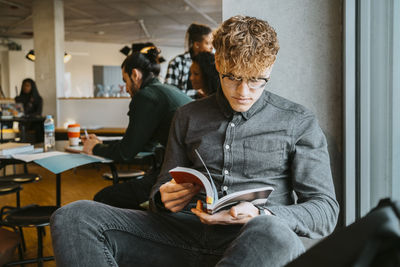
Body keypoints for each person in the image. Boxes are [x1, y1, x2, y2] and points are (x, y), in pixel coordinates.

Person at [51, 15, 339, 267]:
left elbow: (325, 211)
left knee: (276, 233)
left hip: (253, 242)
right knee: (73, 216)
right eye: (232, 77)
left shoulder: (298, 121)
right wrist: (164, 199)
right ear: (217, 63)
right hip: (181, 234)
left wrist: (262, 212)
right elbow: (159, 191)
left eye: (256, 80)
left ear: (270, 69)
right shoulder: (187, 115)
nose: (244, 92)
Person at [82, 45, 192, 209]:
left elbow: (125, 153)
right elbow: (143, 143)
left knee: (103, 198)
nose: (126, 88)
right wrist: (101, 144)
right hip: (190, 171)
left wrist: (95, 148)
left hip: (178, 175)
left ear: (135, 74)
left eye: (125, 81)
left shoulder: (145, 96)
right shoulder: (166, 90)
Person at [165, 23, 213, 98]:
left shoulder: (212, 63)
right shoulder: (177, 62)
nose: (211, 47)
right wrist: (196, 93)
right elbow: (169, 93)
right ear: (197, 45)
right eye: (208, 43)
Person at [14, 78, 43, 142]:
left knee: (40, 125)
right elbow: (20, 113)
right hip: (23, 122)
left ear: (32, 87)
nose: (25, 87)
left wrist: (28, 114)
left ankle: (40, 144)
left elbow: (38, 113)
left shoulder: (38, 99)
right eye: (24, 85)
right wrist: (29, 104)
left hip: (34, 122)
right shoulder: (19, 99)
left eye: (27, 86)